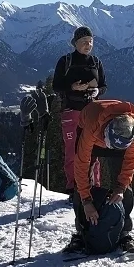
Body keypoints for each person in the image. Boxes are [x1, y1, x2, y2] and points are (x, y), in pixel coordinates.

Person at [63, 99, 134, 255]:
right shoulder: (92, 126)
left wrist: (120, 188)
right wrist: (86, 200)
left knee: (123, 183)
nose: (110, 149)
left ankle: (124, 232)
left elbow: (130, 164)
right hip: (91, 129)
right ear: (106, 131)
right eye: (109, 144)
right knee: (82, 182)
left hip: (115, 138)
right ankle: (81, 232)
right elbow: (81, 165)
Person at [52, 26, 107, 201]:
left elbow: (103, 85)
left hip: (92, 111)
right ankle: (73, 187)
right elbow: (56, 85)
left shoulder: (96, 62)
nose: (88, 44)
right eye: (84, 42)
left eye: (90, 41)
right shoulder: (66, 61)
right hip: (71, 110)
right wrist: (73, 87)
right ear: (75, 43)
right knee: (72, 151)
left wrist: (96, 91)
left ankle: (94, 187)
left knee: (94, 150)